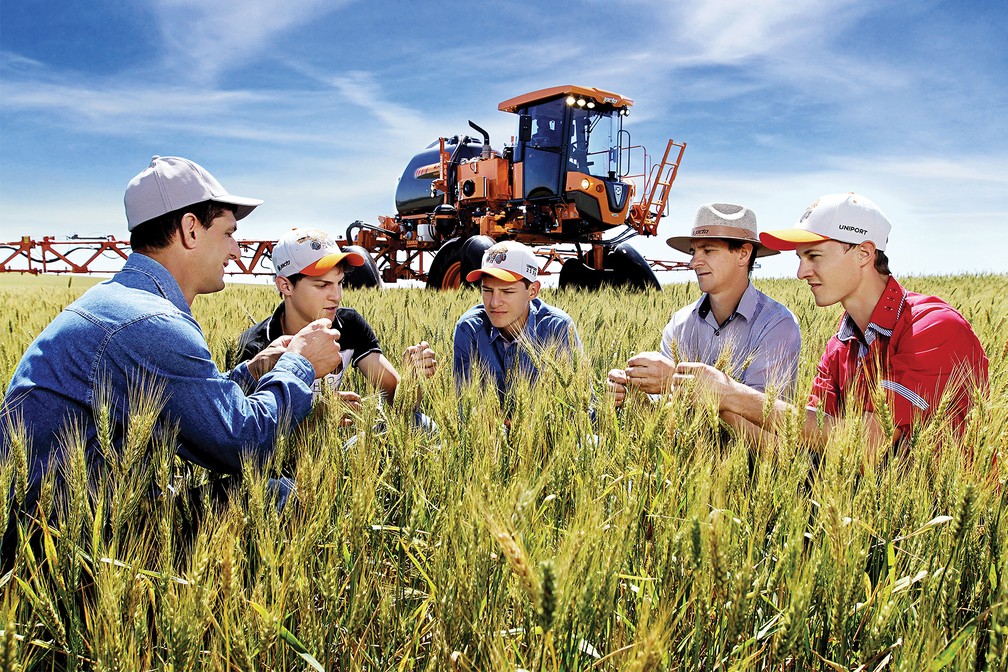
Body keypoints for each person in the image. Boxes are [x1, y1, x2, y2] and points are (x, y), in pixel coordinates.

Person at [0, 156, 345, 520]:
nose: (236, 251)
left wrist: (255, 371)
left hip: (52, 520)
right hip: (64, 541)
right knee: (276, 496)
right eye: (228, 233)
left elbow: (183, 401)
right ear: (190, 229)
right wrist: (301, 364)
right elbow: (244, 445)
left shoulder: (121, 300)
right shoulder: (152, 322)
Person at [674, 192, 989, 459]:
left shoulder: (934, 328)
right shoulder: (841, 345)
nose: (801, 272)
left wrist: (730, 394)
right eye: (800, 258)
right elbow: (804, 445)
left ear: (863, 253)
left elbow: (870, 442)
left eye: (813, 256)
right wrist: (718, 403)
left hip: (943, 521)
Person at [608, 203, 802, 408]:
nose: (693, 263)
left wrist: (676, 380)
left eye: (708, 251)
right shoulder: (680, 323)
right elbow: (664, 411)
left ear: (743, 254)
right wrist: (632, 392)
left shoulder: (777, 325)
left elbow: (768, 426)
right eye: (694, 251)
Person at [233, 227, 437, 420]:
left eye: (339, 283)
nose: (336, 296)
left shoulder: (349, 324)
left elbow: (401, 406)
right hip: (285, 454)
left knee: (423, 424)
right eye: (322, 285)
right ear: (285, 285)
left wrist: (413, 379)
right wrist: (317, 417)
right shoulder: (255, 348)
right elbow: (248, 434)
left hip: (340, 449)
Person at [453, 240, 582, 403]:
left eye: (507, 292)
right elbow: (466, 405)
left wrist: (612, 396)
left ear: (532, 291)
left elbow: (578, 405)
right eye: (487, 290)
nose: (494, 302)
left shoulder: (558, 327)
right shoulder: (469, 329)